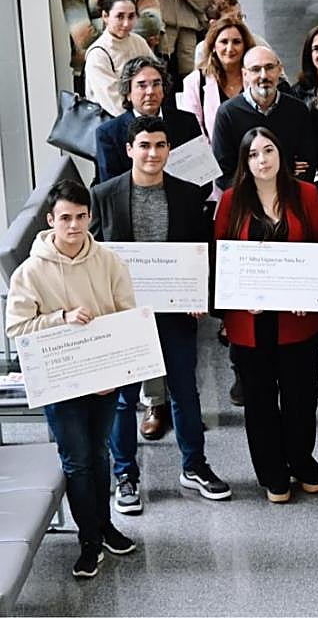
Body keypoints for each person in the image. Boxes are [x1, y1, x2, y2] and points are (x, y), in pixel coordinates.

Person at [91, 116, 232, 516]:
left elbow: (200, 251)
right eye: (145, 146)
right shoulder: (104, 194)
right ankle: (126, 475)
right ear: (129, 150)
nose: (153, 153)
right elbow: (94, 255)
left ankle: (194, 465)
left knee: (185, 390)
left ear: (169, 150)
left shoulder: (188, 195)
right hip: (124, 314)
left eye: (160, 146)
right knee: (124, 399)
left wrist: (198, 294)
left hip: (174, 311)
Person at [5, 180, 138, 577]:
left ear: (90, 218)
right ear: (51, 220)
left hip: (102, 381)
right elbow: (16, 329)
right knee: (77, 461)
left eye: (81, 217)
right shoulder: (30, 271)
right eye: (66, 218)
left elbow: (126, 316)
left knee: (99, 455)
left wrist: (113, 373)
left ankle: (105, 525)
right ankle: (89, 540)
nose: (74, 225)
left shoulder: (109, 261)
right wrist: (61, 318)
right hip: (60, 384)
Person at [214, 127, 318, 503]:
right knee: (260, 400)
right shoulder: (231, 201)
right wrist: (240, 297)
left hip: (297, 318)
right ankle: (273, 474)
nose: (262, 160)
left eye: (269, 150)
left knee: (301, 397)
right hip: (251, 320)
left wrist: (310, 294)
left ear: (280, 154)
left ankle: (302, 462)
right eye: (253, 154)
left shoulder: (306, 194)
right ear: (245, 163)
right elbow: (222, 259)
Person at [210, 46, 318, 189]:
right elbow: (223, 174)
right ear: (245, 74)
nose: (263, 75)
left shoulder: (297, 110)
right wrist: (261, 192)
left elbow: (307, 165)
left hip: (291, 197)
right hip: (246, 203)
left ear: (279, 70)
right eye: (255, 69)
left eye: (269, 67)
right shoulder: (227, 114)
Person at [95, 56, 202, 183]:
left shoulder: (187, 122)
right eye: (142, 86)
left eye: (156, 84)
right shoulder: (109, 133)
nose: (150, 92)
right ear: (128, 93)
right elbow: (110, 186)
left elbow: (203, 176)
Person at [180, 16, 254, 144]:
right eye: (224, 42)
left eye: (236, 42)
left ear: (245, 46)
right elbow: (193, 128)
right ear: (213, 46)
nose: (230, 48)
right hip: (213, 158)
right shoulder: (195, 81)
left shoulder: (255, 76)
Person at [84, 0, 156, 117]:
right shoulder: (97, 54)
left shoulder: (138, 42)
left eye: (131, 16)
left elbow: (156, 75)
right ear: (105, 16)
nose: (126, 23)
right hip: (114, 122)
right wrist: (140, 123)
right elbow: (113, 102)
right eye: (120, 17)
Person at [191, 0, 272, 72]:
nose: (238, 23)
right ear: (213, 24)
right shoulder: (202, 49)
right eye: (230, 19)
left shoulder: (257, 44)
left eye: (240, 17)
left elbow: (279, 78)